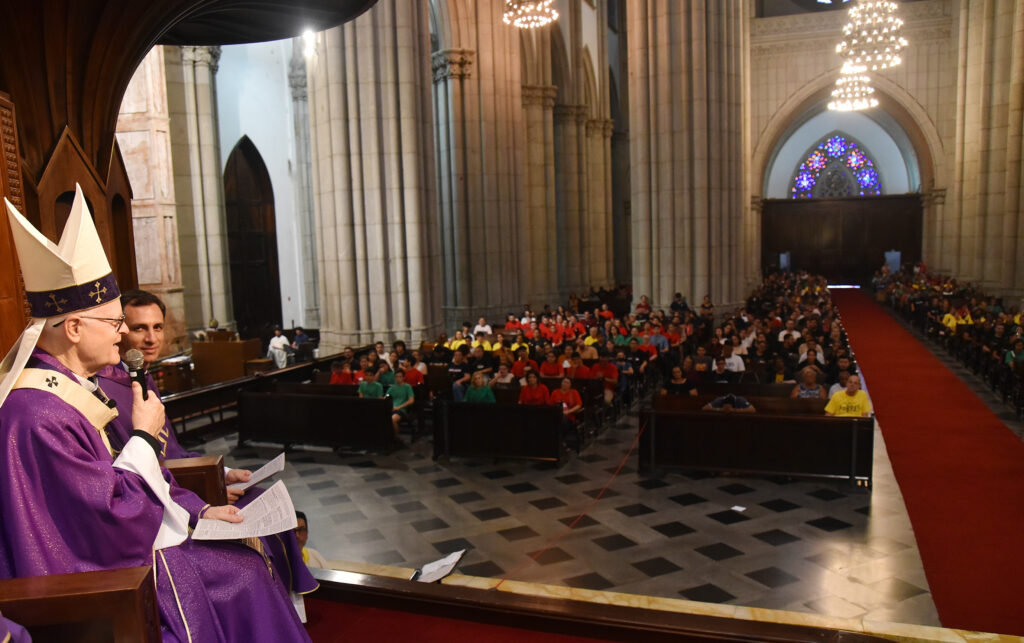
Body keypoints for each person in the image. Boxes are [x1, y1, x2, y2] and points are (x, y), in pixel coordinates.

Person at [0, 188, 309, 641]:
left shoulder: (67, 391)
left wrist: (198, 509)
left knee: (247, 560)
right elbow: (111, 520)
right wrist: (144, 436)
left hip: (113, 551)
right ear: (74, 327)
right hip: (96, 579)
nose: (123, 333)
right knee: (244, 574)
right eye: (115, 322)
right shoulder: (39, 413)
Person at [97, 289, 320, 608]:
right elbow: (141, 470)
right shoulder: (106, 391)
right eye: (139, 328)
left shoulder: (141, 378)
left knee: (265, 505)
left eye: (157, 327)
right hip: (165, 508)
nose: (151, 338)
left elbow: (172, 452)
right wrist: (205, 493)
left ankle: (289, 609)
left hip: (182, 486)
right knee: (250, 547)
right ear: (120, 330)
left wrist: (222, 474)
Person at [387, 369, 415, 437]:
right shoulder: (391, 388)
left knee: (393, 419)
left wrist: (398, 407)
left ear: (403, 377)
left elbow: (411, 400)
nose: (398, 378)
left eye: (400, 376)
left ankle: (396, 438)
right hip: (391, 409)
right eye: (396, 377)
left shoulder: (407, 387)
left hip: (401, 410)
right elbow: (386, 399)